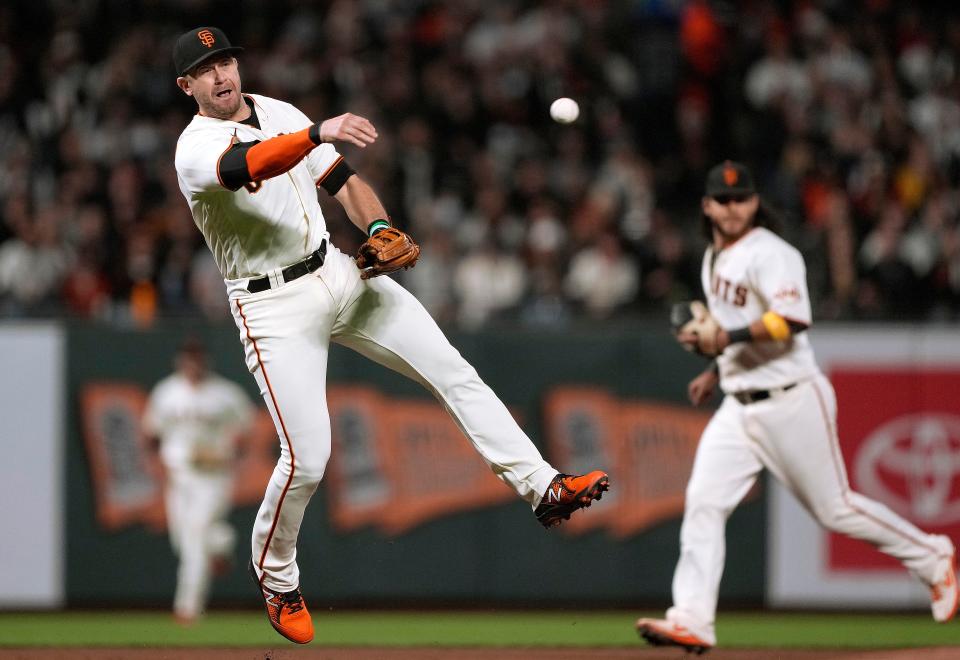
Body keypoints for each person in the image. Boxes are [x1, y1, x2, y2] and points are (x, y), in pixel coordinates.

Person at [171, 26, 610, 645]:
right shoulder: (195, 146)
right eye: (205, 69)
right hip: (271, 306)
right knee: (307, 460)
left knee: (454, 370)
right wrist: (317, 132)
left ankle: (543, 487)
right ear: (186, 85)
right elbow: (252, 164)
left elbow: (344, 181)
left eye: (226, 61)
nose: (221, 75)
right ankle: (276, 576)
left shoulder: (280, 111)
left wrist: (377, 224)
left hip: (337, 271)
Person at [635, 161, 957, 654]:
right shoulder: (712, 258)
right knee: (703, 502)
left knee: (835, 509)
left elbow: (792, 319)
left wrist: (727, 337)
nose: (733, 207)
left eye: (741, 197)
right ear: (707, 206)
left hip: (790, 399)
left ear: (754, 202)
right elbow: (732, 329)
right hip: (738, 407)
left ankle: (934, 557)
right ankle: (693, 619)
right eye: (723, 199)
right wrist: (715, 369)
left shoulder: (772, 253)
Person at [142, 337, 255, 625]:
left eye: (197, 358)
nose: (192, 364)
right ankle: (222, 543)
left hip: (212, 478)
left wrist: (227, 455)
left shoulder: (225, 394)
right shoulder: (166, 392)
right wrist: (158, 468)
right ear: (180, 362)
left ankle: (187, 609)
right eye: (187, 358)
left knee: (193, 539)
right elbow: (152, 434)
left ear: (205, 362)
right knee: (183, 541)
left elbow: (247, 429)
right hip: (178, 476)